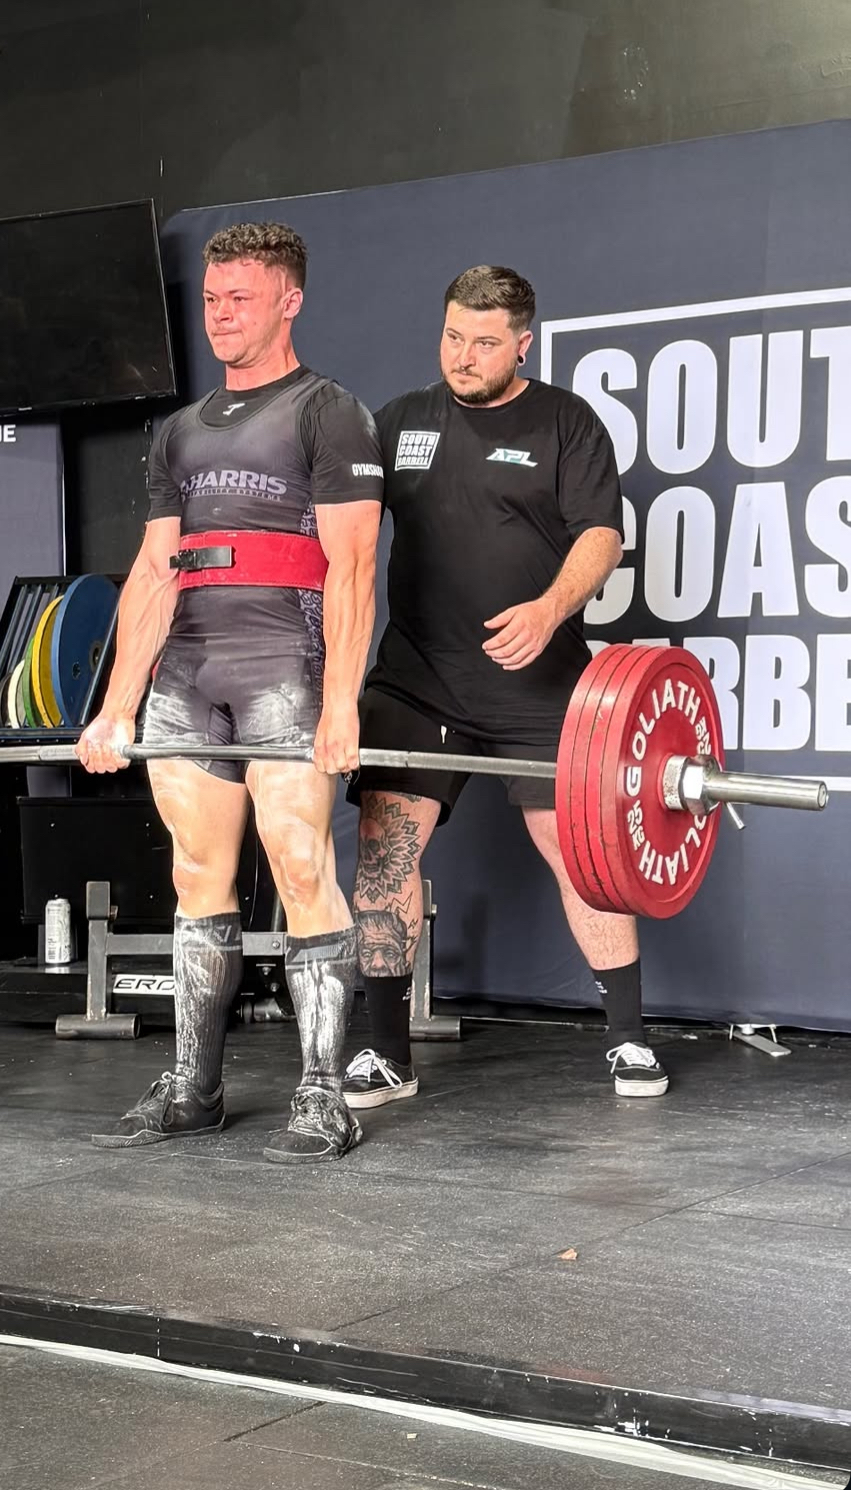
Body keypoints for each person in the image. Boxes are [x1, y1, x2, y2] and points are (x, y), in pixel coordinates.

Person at [78, 223, 383, 1162]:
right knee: (194, 877)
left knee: (299, 866)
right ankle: (194, 1089)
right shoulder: (176, 430)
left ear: (289, 300)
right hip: (189, 671)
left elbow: (353, 567)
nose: (220, 314)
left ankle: (323, 1094)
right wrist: (117, 701)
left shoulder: (328, 412)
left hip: (283, 666)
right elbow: (153, 571)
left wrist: (341, 701)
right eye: (211, 299)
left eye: (239, 298)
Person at [343, 266, 667, 1110]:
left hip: (536, 681)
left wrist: (551, 606)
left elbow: (600, 535)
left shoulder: (566, 422)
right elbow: (342, 536)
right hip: (416, 682)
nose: (463, 355)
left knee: (581, 858)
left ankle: (628, 1037)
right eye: (452, 336)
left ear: (522, 342)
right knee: (383, 857)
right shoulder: (401, 421)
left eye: (484, 342)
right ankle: (385, 1052)